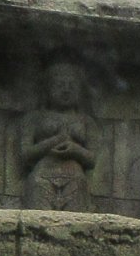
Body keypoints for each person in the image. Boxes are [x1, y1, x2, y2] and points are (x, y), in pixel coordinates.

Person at [19, 63, 98, 211]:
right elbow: (25, 155)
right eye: (60, 85)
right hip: (41, 177)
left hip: (75, 178)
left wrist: (74, 149)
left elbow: (91, 159)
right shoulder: (33, 118)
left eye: (71, 86)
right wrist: (55, 140)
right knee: (38, 222)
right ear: (47, 90)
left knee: (76, 225)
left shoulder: (87, 121)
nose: (66, 90)